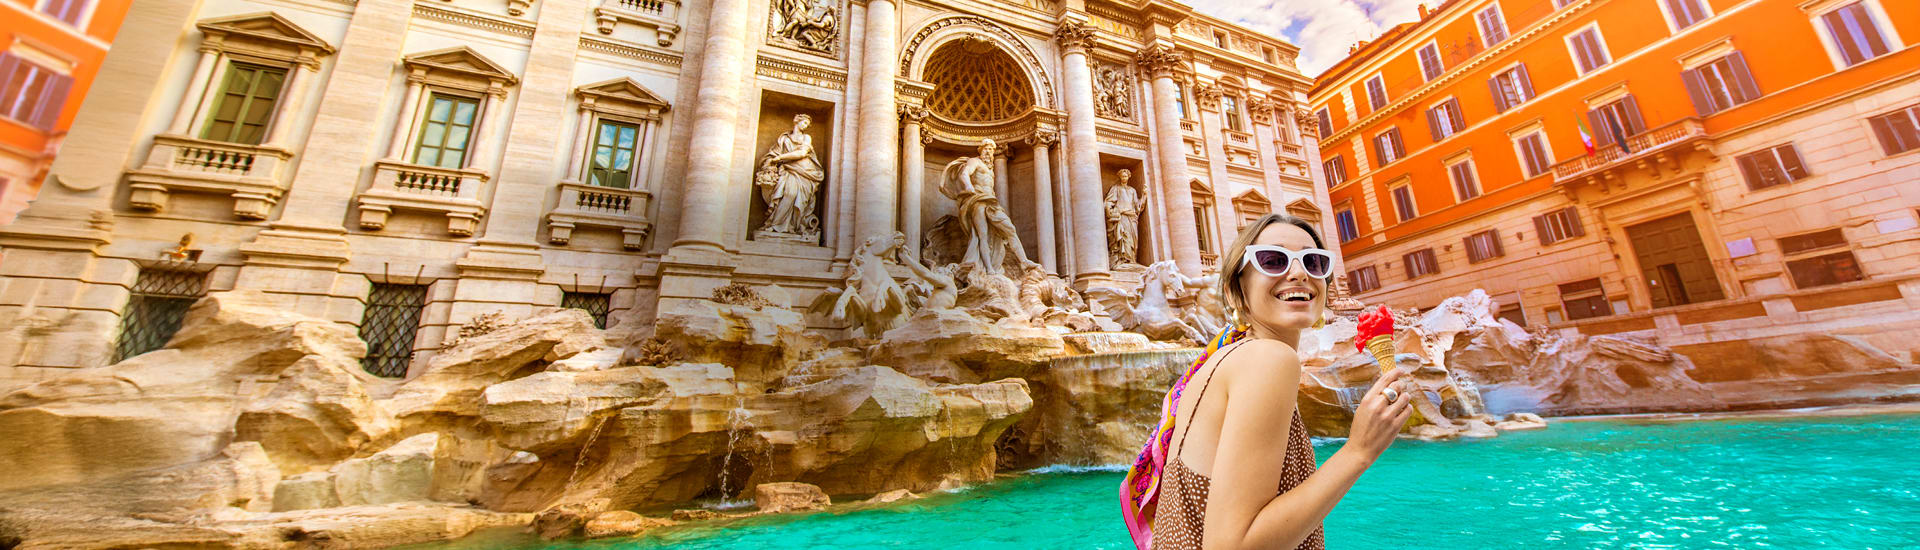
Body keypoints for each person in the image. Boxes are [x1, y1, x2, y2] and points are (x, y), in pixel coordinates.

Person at [1121, 213, 1414, 550]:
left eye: (1314, 262)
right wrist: (1359, 451)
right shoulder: (1269, 359)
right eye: (1273, 261)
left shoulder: (1222, 360)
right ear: (1236, 292)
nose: (1300, 273)